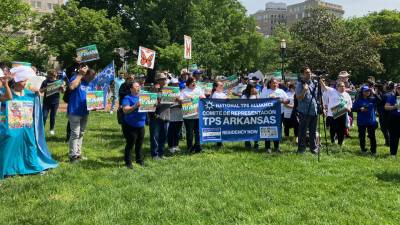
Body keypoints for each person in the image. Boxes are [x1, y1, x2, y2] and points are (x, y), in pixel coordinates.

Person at [0, 66, 58, 179]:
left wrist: (37, 92)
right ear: (17, 81)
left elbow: (38, 99)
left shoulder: (29, 94)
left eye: (26, 80)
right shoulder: (5, 92)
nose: (26, 82)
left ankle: (31, 166)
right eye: (24, 80)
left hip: (26, 127)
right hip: (10, 127)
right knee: (10, 145)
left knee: (30, 145)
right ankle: (8, 169)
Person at [67, 66, 97, 163]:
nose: (90, 80)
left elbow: (92, 98)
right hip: (74, 111)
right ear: (85, 75)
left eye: (92, 79)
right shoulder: (77, 78)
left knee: (81, 133)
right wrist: (80, 75)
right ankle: (72, 155)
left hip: (84, 112)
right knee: (75, 133)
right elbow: (71, 87)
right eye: (89, 78)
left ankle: (78, 154)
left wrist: (95, 105)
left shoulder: (90, 84)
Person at [260, 77, 289, 153]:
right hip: (268, 114)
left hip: (279, 114)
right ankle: (267, 147)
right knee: (267, 129)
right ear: (270, 84)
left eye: (276, 83)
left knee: (277, 130)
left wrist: (281, 100)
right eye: (273, 83)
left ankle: (277, 147)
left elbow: (288, 100)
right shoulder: (266, 92)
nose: (275, 84)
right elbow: (260, 102)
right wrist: (269, 99)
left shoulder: (281, 91)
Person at [121, 82, 146, 169]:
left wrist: (153, 105)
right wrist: (135, 106)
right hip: (130, 125)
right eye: (136, 86)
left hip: (141, 124)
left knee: (139, 144)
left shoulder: (144, 96)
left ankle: (139, 160)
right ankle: (128, 162)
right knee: (130, 144)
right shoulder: (127, 98)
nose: (138, 87)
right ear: (131, 89)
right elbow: (125, 110)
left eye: (139, 86)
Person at [295, 67, 319, 154]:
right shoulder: (299, 84)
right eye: (306, 73)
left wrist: (320, 107)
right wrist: (304, 90)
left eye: (309, 72)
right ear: (302, 74)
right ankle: (301, 149)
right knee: (303, 131)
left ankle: (314, 148)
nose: (309, 74)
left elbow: (316, 97)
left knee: (313, 131)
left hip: (314, 110)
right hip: (304, 111)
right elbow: (298, 98)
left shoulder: (314, 84)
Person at [149, 72, 172, 159]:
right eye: (162, 79)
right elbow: (150, 104)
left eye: (165, 79)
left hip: (166, 115)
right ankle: (154, 155)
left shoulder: (170, 90)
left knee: (163, 136)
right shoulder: (153, 90)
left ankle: (161, 154)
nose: (164, 81)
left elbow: (173, 101)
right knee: (155, 137)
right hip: (155, 116)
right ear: (158, 80)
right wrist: (159, 103)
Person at [321, 81, 352, 147]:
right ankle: (333, 139)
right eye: (341, 86)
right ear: (337, 87)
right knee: (334, 128)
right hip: (332, 114)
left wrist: (349, 108)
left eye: (343, 86)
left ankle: (340, 142)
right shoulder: (332, 91)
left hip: (343, 114)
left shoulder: (347, 94)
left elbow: (350, 104)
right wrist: (320, 79)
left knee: (342, 129)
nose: (342, 87)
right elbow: (324, 87)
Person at [180, 77, 206, 153]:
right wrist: (188, 99)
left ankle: (198, 147)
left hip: (198, 114)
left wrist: (202, 97)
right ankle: (190, 148)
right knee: (190, 132)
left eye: (195, 82)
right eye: (192, 82)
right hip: (188, 115)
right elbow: (181, 101)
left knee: (198, 132)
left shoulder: (198, 89)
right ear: (188, 83)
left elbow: (204, 98)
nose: (194, 83)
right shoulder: (184, 91)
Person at [353, 86, 377, 155]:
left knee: (372, 136)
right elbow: (353, 109)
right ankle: (363, 149)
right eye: (366, 91)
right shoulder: (358, 100)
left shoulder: (373, 99)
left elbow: (380, 100)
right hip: (361, 121)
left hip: (371, 121)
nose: (368, 92)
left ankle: (373, 150)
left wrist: (374, 93)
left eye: (369, 91)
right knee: (362, 136)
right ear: (362, 92)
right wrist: (360, 109)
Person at [40, 69, 63, 135]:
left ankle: (51, 129)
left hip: (55, 102)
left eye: (53, 76)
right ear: (48, 75)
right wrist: (46, 88)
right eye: (50, 76)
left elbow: (63, 91)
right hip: (46, 102)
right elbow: (40, 91)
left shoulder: (59, 81)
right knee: (44, 116)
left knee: (53, 116)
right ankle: (41, 129)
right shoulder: (45, 82)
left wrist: (62, 88)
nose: (52, 77)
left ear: (55, 75)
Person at [167, 78, 183, 153]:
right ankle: (170, 146)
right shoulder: (167, 93)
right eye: (175, 84)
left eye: (177, 84)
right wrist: (176, 103)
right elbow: (167, 105)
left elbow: (183, 103)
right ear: (170, 85)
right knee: (171, 132)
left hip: (180, 115)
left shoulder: (180, 92)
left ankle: (176, 145)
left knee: (177, 132)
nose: (177, 85)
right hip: (171, 116)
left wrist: (180, 102)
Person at [211, 81, 229, 148]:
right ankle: (219, 142)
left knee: (222, 128)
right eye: (220, 85)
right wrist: (225, 98)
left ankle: (220, 142)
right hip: (218, 114)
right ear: (216, 87)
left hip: (223, 113)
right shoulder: (215, 94)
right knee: (218, 128)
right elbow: (217, 102)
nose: (222, 86)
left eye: (222, 85)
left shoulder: (222, 93)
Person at [242, 83, 260, 150]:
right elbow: (242, 106)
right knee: (247, 129)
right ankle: (247, 142)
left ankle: (256, 143)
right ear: (248, 89)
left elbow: (261, 103)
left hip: (255, 115)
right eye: (252, 90)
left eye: (254, 89)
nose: (253, 90)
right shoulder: (244, 96)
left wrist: (257, 95)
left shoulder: (256, 95)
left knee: (255, 129)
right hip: (246, 116)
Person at [384, 84, 400, 157]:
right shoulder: (392, 97)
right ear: (396, 89)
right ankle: (393, 153)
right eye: (399, 88)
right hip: (394, 119)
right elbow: (386, 107)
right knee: (394, 137)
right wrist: (394, 107)